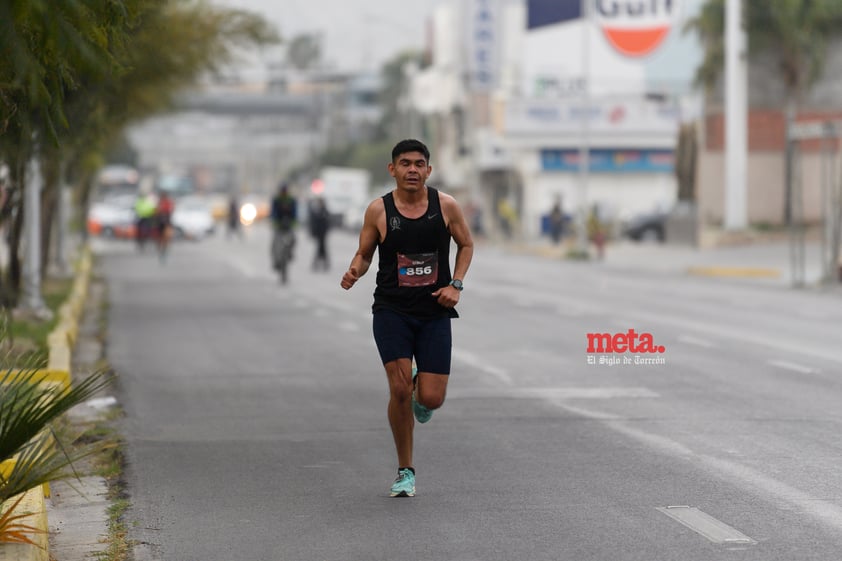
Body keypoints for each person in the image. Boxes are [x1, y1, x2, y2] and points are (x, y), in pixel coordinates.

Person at [340, 139, 474, 498]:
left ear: (428, 170)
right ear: (392, 170)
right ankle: (405, 470)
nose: (412, 170)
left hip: (434, 312)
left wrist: (456, 284)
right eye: (405, 163)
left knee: (431, 399)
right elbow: (364, 253)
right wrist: (355, 270)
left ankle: (420, 390)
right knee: (398, 388)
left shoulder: (446, 206)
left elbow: (466, 244)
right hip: (391, 310)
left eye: (419, 164)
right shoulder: (378, 211)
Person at [270, 183, 297, 265]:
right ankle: (276, 260)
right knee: (275, 244)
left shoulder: (291, 200)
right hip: (278, 225)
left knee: (293, 240)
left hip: (288, 225)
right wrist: (274, 221)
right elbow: (273, 212)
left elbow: (294, 213)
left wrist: (294, 222)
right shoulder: (276, 199)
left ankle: (289, 253)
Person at [308, 196, 330, 271]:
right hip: (318, 233)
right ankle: (319, 263)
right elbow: (313, 222)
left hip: (323, 233)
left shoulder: (325, 211)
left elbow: (328, 223)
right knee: (320, 248)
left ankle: (322, 263)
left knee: (322, 248)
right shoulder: (316, 211)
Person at [154, 191, 175, 261]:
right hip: (161, 222)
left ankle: (163, 249)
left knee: (166, 237)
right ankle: (161, 248)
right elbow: (156, 212)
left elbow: (171, 211)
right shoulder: (159, 203)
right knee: (160, 237)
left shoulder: (167, 203)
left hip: (165, 222)